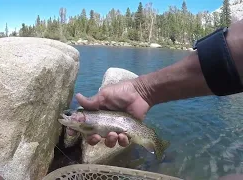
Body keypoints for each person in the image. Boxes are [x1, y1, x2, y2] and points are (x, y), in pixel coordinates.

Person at [66, 19, 243, 180]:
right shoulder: (85, 120)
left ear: (79, 117)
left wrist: (144, 90)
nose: (69, 117)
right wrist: (143, 90)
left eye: (70, 115)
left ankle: (157, 144)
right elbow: (229, 56)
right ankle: (156, 144)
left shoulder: (84, 120)